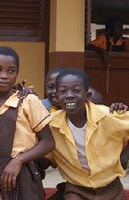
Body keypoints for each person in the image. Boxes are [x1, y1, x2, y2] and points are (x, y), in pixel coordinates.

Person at [0, 46, 55, 200]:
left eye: (11, 71)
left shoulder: (27, 101)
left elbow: (48, 142)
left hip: (23, 176)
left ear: (17, 74)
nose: (4, 76)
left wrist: (18, 161)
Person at [48, 68, 129, 199]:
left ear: (87, 96)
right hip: (76, 188)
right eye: (63, 91)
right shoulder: (51, 124)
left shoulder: (107, 116)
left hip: (111, 186)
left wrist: (124, 159)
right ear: (56, 97)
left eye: (76, 90)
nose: (69, 95)